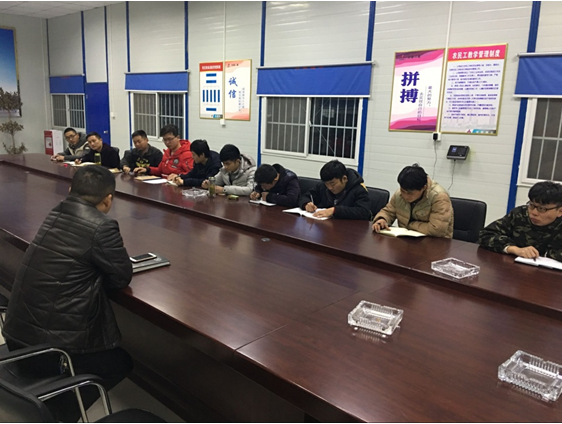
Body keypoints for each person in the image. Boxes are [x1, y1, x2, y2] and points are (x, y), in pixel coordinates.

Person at [2, 166, 133, 422]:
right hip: (48, 352)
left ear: (70, 190)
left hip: (16, 335)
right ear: (108, 200)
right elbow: (121, 277)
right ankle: (55, 416)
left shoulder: (56, 213)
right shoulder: (102, 226)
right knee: (120, 362)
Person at [479, 181, 562, 260]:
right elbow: (485, 235)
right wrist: (513, 249)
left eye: (542, 209)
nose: (534, 212)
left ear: (560, 211)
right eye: (531, 205)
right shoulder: (520, 214)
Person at [372, 164, 453, 237]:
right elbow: (388, 211)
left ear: (423, 188)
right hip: (407, 239)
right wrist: (382, 219)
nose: (405, 196)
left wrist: (409, 225)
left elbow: (436, 229)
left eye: (410, 193)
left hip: (435, 243)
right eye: (403, 191)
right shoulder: (399, 194)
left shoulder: (439, 197)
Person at [298, 160, 371, 220]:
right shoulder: (323, 186)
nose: (329, 187)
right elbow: (306, 196)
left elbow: (364, 212)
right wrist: (306, 204)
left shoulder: (358, 189)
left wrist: (335, 210)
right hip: (325, 226)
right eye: (326, 184)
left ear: (344, 179)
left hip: (350, 229)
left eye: (332, 184)